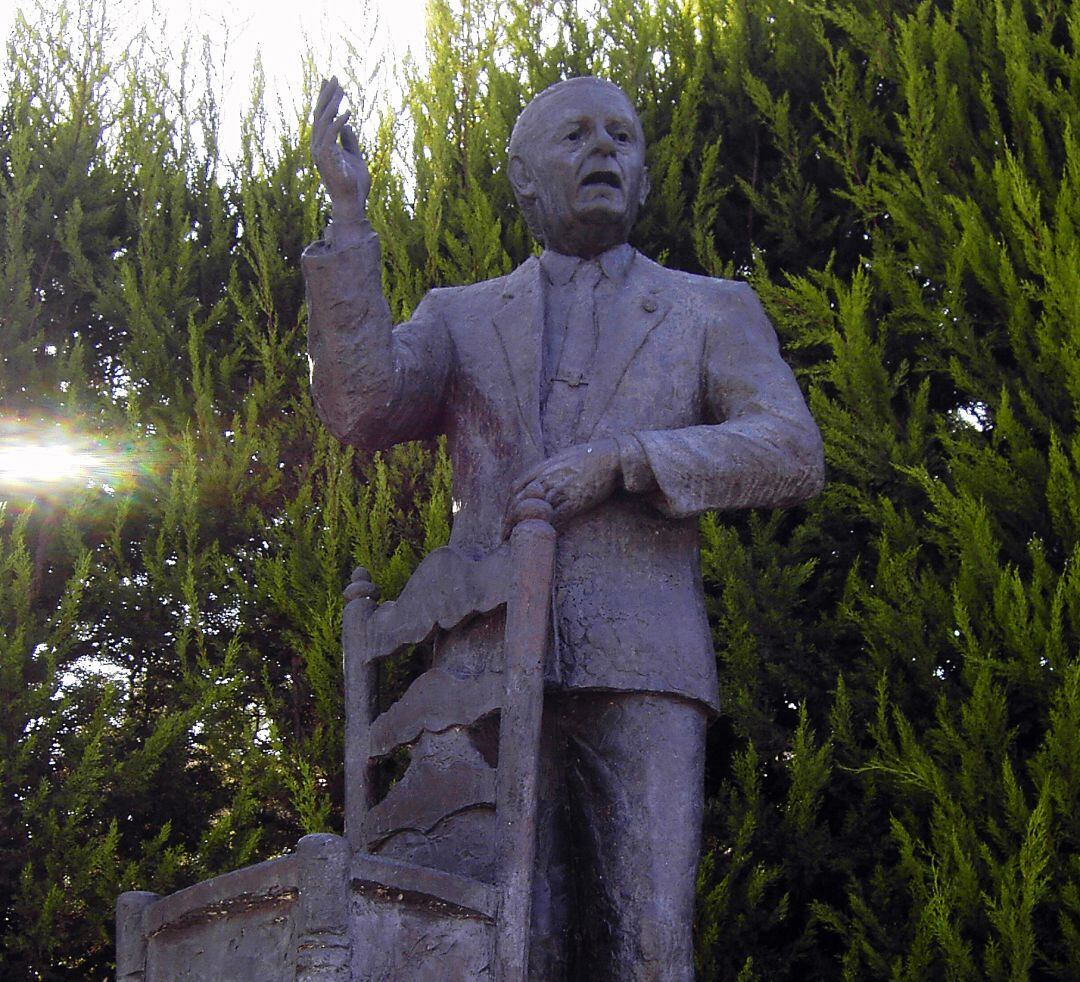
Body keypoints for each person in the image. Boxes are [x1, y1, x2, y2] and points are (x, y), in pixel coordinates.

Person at [304, 74, 824, 980]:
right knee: (501, 946)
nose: (604, 151)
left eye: (622, 137)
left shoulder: (712, 309)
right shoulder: (459, 316)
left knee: (648, 947)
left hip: (645, 662)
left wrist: (627, 460)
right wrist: (349, 225)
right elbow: (361, 407)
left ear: (647, 178)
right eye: (577, 135)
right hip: (482, 673)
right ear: (524, 179)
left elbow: (789, 450)